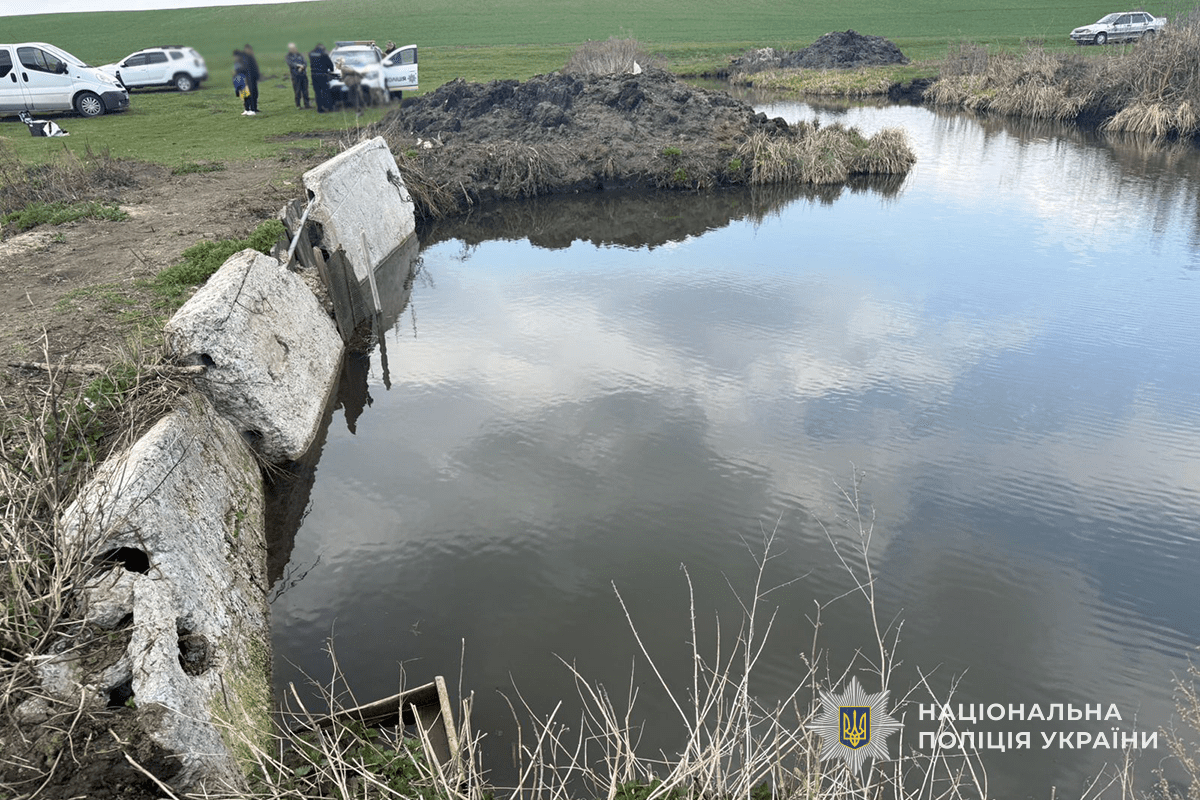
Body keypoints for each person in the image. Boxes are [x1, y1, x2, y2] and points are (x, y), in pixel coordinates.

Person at [309, 42, 334, 113]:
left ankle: (319, 108)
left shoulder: (311, 53)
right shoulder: (324, 54)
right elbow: (330, 65)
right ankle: (328, 107)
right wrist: (331, 70)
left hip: (314, 75)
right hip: (322, 75)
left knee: (317, 92)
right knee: (326, 91)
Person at [286, 43, 310, 108]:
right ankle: (298, 105)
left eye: (294, 48)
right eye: (292, 48)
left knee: (305, 90)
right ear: (290, 49)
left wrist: (302, 67)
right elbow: (291, 64)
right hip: (295, 76)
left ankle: (307, 104)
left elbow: (305, 62)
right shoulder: (288, 56)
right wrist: (298, 66)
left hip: (303, 74)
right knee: (297, 90)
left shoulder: (300, 55)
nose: (294, 49)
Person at [232, 50, 253, 115]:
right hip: (239, 81)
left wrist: (237, 72)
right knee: (244, 96)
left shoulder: (243, 62)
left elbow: (245, 70)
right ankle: (246, 109)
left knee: (247, 95)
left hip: (244, 80)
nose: (235, 58)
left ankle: (250, 109)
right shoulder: (236, 63)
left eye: (236, 56)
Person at [242, 43, 260, 113]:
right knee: (250, 94)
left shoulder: (250, 57)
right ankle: (250, 109)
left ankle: (253, 108)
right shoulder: (245, 58)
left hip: (252, 79)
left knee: (254, 94)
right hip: (248, 79)